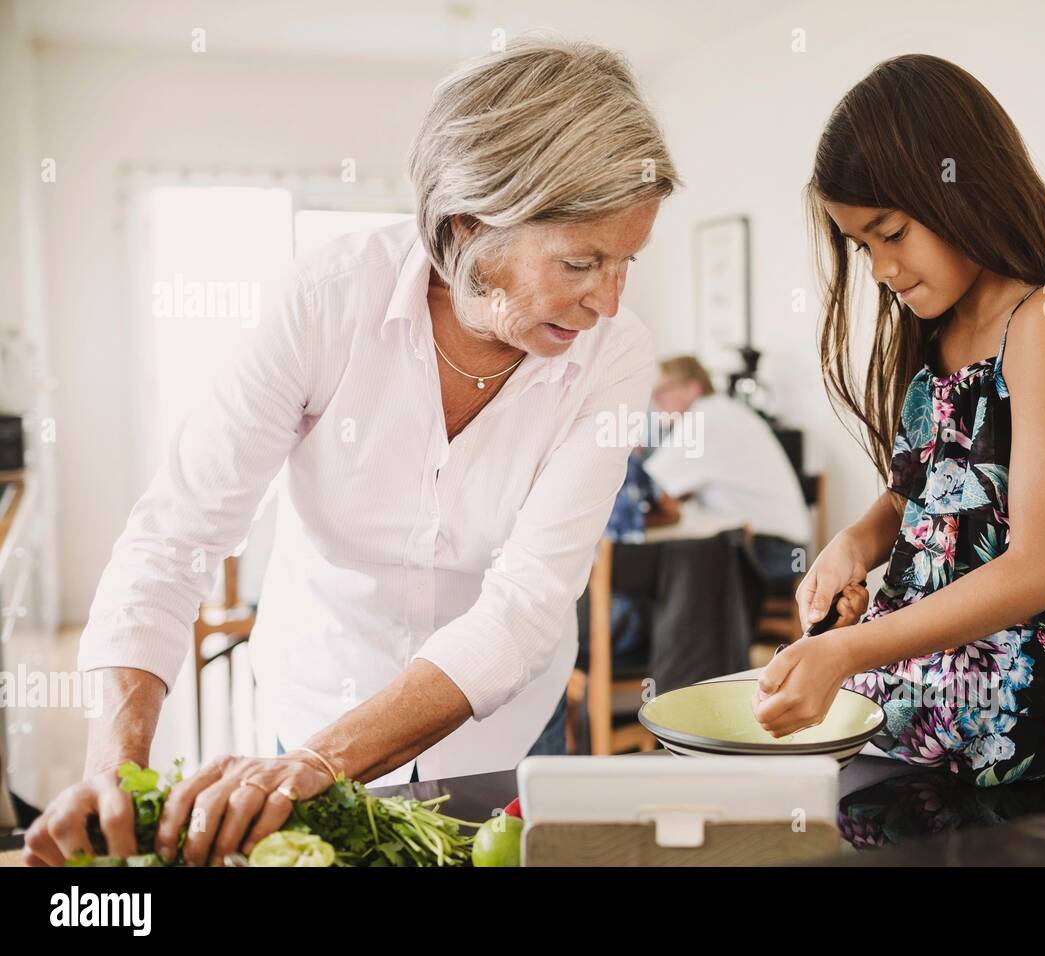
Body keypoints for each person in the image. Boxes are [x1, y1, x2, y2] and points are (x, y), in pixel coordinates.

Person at [23, 35, 680, 866]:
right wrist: (114, 772)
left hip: (507, 731)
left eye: (627, 261)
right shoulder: (324, 302)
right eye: (581, 262)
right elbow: (174, 536)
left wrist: (304, 771)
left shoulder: (614, 355)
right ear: (469, 224)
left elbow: (520, 610)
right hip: (315, 696)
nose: (609, 300)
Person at [753, 54, 1045, 789]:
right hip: (920, 724)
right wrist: (856, 544)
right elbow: (927, 492)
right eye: (864, 247)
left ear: (963, 189)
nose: (883, 268)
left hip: (1018, 748)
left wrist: (851, 651)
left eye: (892, 233)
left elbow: (1035, 569)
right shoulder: (943, 328)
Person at [643, 355, 811, 588]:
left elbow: (646, 484)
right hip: (789, 551)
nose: (654, 402)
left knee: (661, 571)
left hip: (772, 552)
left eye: (661, 391)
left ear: (692, 389)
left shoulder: (702, 421)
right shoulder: (723, 411)